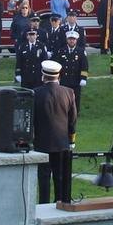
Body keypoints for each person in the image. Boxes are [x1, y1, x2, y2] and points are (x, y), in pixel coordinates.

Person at [32, 60, 77, 204]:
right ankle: (60, 202)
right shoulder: (69, 92)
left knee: (44, 178)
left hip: (42, 142)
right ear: (58, 76)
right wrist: (71, 140)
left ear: (43, 76)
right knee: (60, 177)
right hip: (61, 142)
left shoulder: (35, 93)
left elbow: (32, 118)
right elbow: (73, 119)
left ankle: (43, 204)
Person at [55, 30, 89, 113]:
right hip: (64, 80)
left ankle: (75, 113)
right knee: (63, 98)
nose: (71, 41)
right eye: (70, 39)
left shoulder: (81, 52)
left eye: (73, 39)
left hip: (76, 80)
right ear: (67, 40)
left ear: (76, 40)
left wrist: (83, 78)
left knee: (76, 98)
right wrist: (57, 78)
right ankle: (64, 112)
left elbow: (84, 66)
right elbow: (58, 65)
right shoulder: (61, 51)